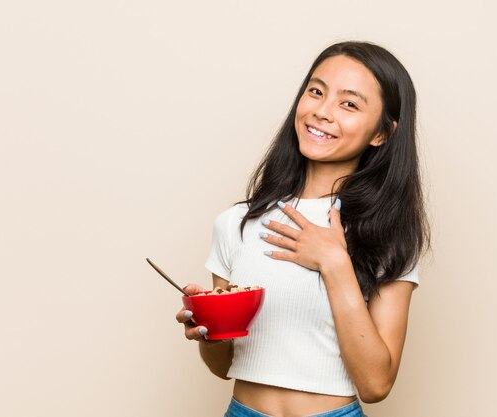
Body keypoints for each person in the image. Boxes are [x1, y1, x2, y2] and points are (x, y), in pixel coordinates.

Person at [176, 40, 430, 417]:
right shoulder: (236, 224)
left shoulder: (386, 234)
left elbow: (376, 384)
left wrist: (333, 262)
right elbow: (223, 366)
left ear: (381, 133)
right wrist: (208, 332)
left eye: (349, 104)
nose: (322, 112)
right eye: (316, 92)